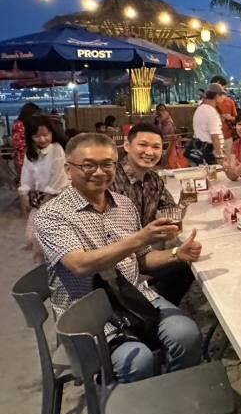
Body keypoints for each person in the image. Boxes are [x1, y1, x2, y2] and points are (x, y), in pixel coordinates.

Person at [35, 133, 203, 383]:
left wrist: (177, 253)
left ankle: (173, 392)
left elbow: (142, 259)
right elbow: (79, 265)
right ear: (68, 169)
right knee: (137, 359)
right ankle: (135, 405)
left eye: (107, 164)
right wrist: (140, 238)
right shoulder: (51, 215)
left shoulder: (124, 205)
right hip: (87, 313)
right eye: (89, 165)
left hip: (134, 299)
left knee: (187, 334)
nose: (99, 172)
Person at [111, 123, 195, 306]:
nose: (149, 152)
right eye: (143, 145)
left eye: (156, 147)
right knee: (180, 265)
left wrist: (185, 199)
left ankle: (155, 304)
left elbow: (172, 214)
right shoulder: (111, 179)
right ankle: (142, 303)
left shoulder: (154, 180)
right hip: (115, 258)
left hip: (143, 253)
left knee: (187, 266)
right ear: (127, 146)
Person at [18, 115, 69, 220]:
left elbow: (58, 178)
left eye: (46, 135)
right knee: (34, 227)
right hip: (39, 197)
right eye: (37, 136)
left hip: (57, 196)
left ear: (52, 133)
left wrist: (44, 204)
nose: (42, 139)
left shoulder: (56, 148)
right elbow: (27, 174)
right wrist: (25, 194)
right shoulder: (31, 151)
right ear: (30, 136)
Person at [185, 82, 225, 165]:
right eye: (222, 95)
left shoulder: (200, 109)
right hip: (208, 152)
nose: (223, 98)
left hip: (198, 150)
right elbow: (215, 137)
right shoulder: (211, 112)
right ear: (217, 96)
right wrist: (220, 156)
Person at [210, 75, 237, 155]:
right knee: (214, 161)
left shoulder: (229, 101)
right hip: (212, 139)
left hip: (227, 137)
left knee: (228, 160)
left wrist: (230, 118)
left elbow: (237, 119)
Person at [13, 102, 42, 174]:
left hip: (32, 157)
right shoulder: (19, 125)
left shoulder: (28, 124)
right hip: (24, 158)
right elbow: (18, 144)